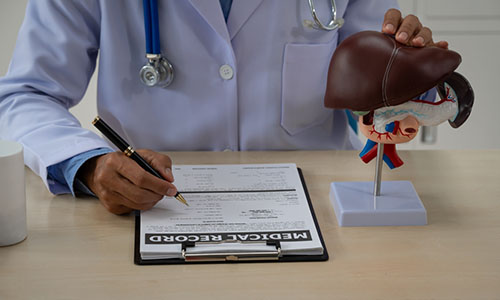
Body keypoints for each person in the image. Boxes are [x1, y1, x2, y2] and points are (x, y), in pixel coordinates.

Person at [0, 0, 447, 214]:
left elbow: (377, 92)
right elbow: (26, 95)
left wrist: (410, 69)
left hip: (321, 213)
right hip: (149, 211)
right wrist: (89, 163)